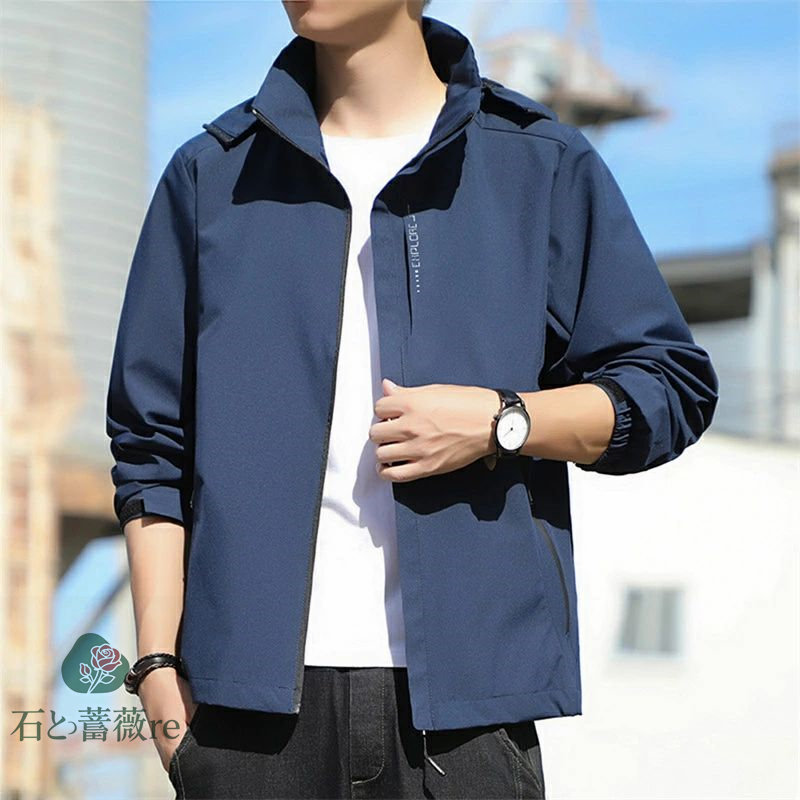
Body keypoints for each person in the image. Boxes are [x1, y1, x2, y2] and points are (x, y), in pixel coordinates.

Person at [106, 2, 719, 798]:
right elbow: (151, 446)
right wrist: (158, 672)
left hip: (463, 725)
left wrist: (503, 420)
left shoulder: (538, 165)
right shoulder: (211, 176)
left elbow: (669, 386)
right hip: (241, 723)